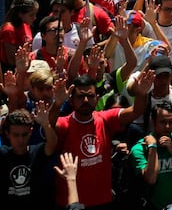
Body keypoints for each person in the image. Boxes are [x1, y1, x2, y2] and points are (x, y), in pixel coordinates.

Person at [53, 71, 155, 208]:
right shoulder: (64, 123)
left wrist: (142, 93)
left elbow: (136, 111)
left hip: (103, 201)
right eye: (80, 96)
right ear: (71, 100)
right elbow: (48, 125)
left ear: (97, 98)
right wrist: (57, 104)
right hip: (71, 202)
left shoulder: (105, 119)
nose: (85, 100)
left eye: (90, 96)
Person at [131, 101, 172, 209]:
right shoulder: (139, 149)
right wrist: (152, 148)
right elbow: (151, 179)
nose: (167, 126)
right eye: (162, 122)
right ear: (152, 121)